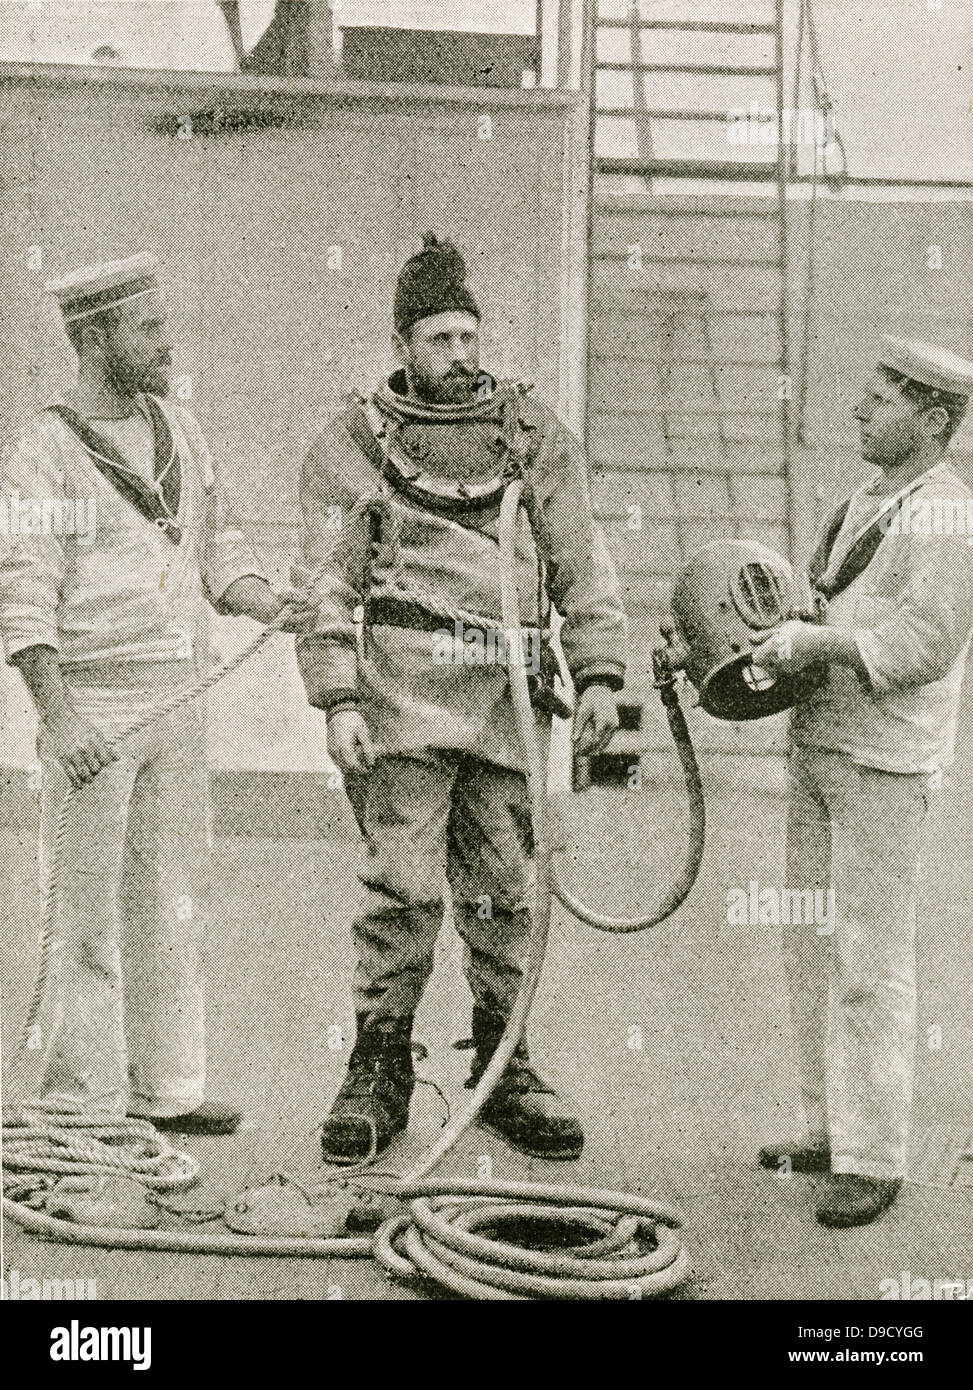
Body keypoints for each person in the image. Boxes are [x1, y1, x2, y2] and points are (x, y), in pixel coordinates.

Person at [297, 234, 628, 1164]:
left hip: (508, 706)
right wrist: (336, 698)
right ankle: (376, 1066)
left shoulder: (531, 437)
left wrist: (599, 673)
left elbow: (581, 561)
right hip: (401, 700)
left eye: (468, 336)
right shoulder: (357, 444)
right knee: (398, 890)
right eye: (440, 339)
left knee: (504, 891)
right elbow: (325, 581)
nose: (461, 355)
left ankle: (501, 1060)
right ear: (405, 345)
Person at [0, 254, 315, 1133]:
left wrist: (266, 602)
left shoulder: (181, 428)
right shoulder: (44, 452)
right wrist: (58, 719)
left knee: (174, 899)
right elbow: (23, 588)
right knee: (84, 918)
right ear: (92, 337)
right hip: (96, 710)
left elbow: (219, 544)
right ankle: (80, 1105)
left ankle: (168, 1090)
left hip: (180, 699)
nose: (167, 341)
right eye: (148, 328)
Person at [750, 336, 973, 1226]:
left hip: (885, 763)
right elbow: (816, 603)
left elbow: (924, 645)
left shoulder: (948, 515)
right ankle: (825, 1128)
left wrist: (820, 645)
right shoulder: (858, 504)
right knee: (809, 944)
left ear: (932, 421)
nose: (857, 409)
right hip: (819, 748)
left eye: (879, 399)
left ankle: (874, 1156)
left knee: (870, 964)